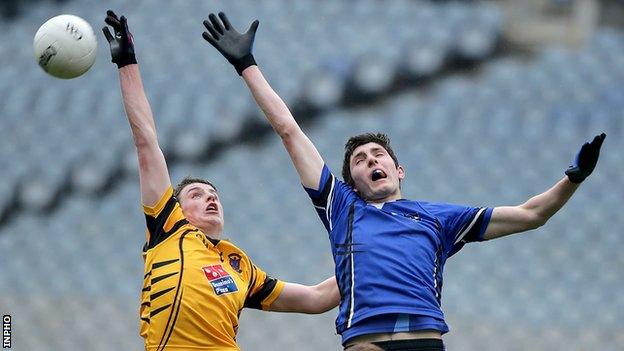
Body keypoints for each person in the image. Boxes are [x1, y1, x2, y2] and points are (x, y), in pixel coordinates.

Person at [201, 12, 607, 351]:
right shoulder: (343, 208)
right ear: (353, 181)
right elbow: (290, 131)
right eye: (360, 160)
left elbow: (531, 214)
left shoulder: (438, 218)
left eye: (379, 155)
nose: (371, 160)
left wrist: (573, 178)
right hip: (367, 342)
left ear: (399, 170)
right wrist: (246, 65)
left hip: (426, 341)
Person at [101, 10, 339, 351]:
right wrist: (127, 62)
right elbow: (146, 143)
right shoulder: (168, 228)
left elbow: (317, 297)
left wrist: (373, 256)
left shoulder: (239, 265)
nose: (211, 198)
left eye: (214, 194)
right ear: (177, 209)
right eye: (196, 195)